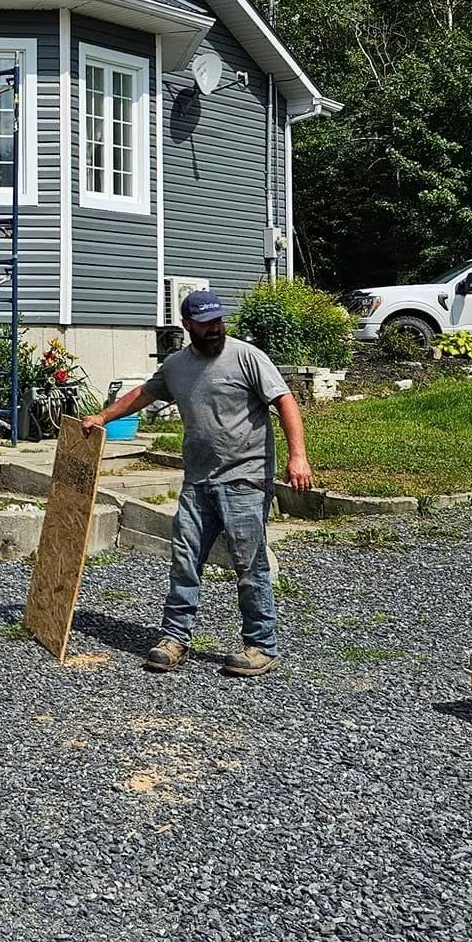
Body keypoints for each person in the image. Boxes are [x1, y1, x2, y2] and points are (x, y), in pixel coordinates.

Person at [82, 288, 313, 678]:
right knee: (185, 560)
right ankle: (174, 639)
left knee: (248, 563)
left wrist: (298, 456)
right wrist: (102, 418)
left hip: (246, 478)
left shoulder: (247, 357)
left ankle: (261, 645)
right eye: (204, 324)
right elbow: (144, 393)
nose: (213, 329)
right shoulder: (176, 366)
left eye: (217, 322)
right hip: (199, 480)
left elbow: (285, 401)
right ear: (187, 325)